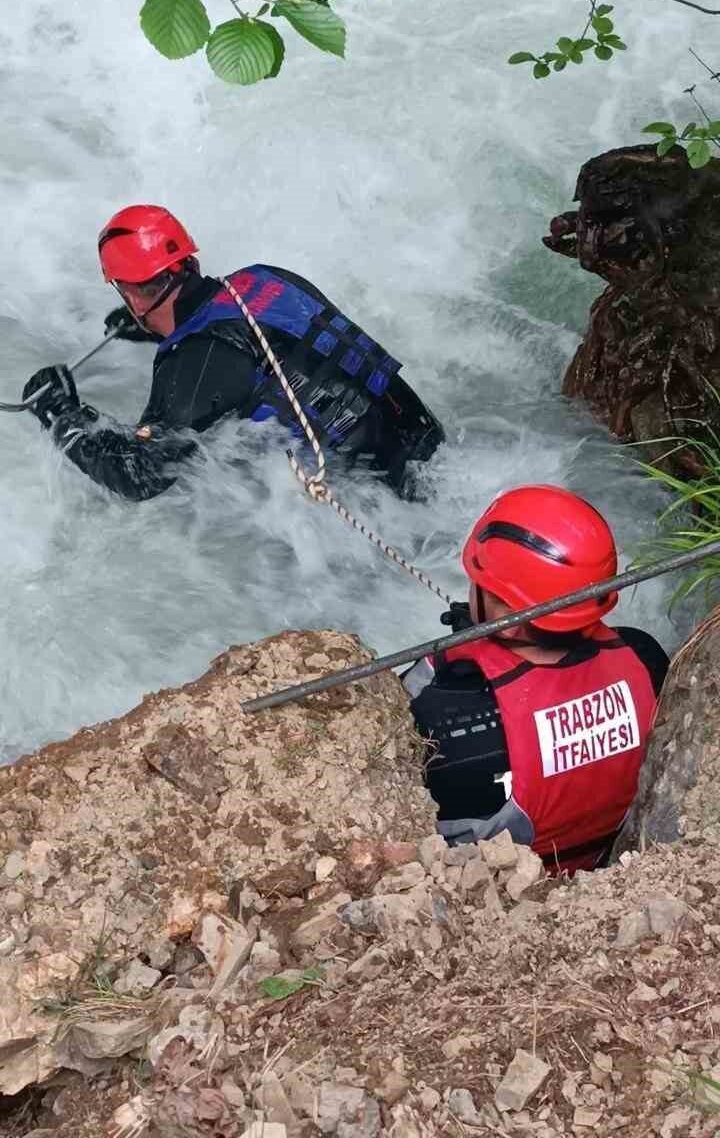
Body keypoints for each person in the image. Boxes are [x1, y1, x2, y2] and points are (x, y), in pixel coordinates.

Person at [22, 205, 444, 502]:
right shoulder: (262, 279)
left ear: (131, 291)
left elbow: (141, 477)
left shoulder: (191, 364)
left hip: (386, 503)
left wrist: (63, 418)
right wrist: (154, 329)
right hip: (428, 449)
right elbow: (262, 346)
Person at [403, 484, 668, 873]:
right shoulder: (644, 656)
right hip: (610, 855)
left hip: (514, 889)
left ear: (508, 618)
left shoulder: (441, 709)